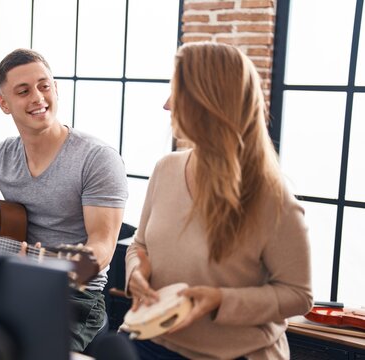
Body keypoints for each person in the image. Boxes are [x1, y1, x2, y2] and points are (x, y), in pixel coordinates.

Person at [124, 42, 313, 359]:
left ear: (206, 103)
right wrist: (136, 272)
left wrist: (220, 300)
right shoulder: (166, 169)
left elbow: (298, 296)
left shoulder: (273, 197)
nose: (167, 105)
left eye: (176, 92)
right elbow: (139, 244)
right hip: (151, 343)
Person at [0, 48, 128, 352]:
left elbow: (102, 248)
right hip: (10, 283)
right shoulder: (3, 155)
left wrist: (51, 266)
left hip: (75, 297)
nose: (38, 97)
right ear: (4, 103)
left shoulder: (97, 159)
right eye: (23, 91)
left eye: (44, 86)